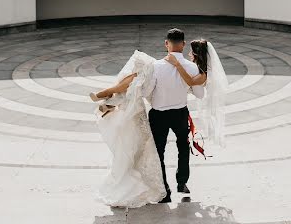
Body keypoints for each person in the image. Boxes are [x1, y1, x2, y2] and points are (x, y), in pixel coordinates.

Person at [90, 27, 227, 207]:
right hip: (180, 113)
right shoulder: (193, 67)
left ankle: (165, 192)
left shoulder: (156, 66)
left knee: (158, 153)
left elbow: (147, 91)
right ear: (184, 44)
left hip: (159, 115)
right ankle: (182, 182)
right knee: (183, 147)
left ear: (166, 44)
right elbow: (200, 95)